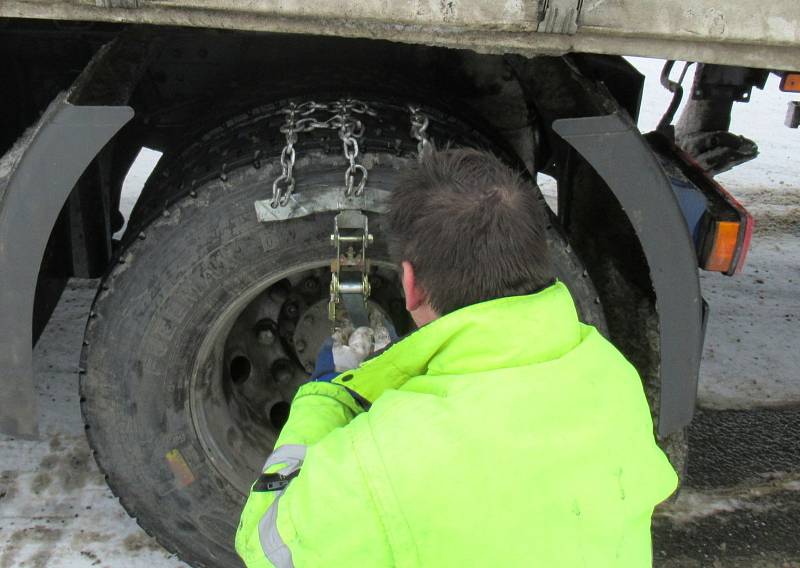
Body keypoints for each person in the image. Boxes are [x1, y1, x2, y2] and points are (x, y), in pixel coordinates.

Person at [235, 148, 678, 567]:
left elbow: (264, 545)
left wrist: (324, 401)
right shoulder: (613, 375)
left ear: (410, 285)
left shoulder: (385, 458)